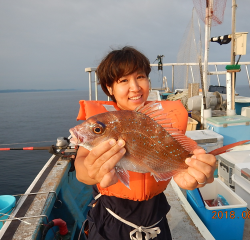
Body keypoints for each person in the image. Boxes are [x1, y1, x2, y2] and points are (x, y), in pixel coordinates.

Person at [74, 46, 216, 240]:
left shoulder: (159, 121)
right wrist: (91, 171)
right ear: (109, 88)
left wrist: (194, 168)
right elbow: (81, 166)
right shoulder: (106, 124)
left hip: (156, 216)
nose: (135, 87)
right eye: (123, 80)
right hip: (111, 220)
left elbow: (186, 151)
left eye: (140, 77)